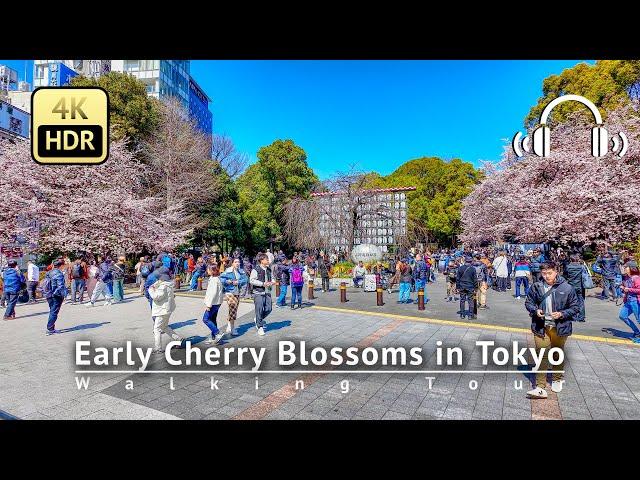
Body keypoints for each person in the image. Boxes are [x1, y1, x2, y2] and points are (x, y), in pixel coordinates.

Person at [524, 261, 580, 399]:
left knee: (556, 353)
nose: (547, 276)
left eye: (549, 273)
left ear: (556, 272)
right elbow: (529, 302)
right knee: (541, 354)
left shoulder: (567, 288)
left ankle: (557, 378)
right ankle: (540, 386)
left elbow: (576, 307)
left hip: (559, 327)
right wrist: (535, 310)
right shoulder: (536, 286)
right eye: (544, 273)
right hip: (540, 326)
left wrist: (562, 314)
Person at [148, 272, 184, 353]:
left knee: (157, 329)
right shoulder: (168, 285)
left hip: (162, 310)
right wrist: (155, 285)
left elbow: (156, 297)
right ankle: (179, 339)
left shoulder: (163, 287)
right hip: (167, 309)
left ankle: (158, 348)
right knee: (164, 327)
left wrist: (151, 290)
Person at [220, 258, 247, 336]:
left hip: (237, 292)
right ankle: (232, 328)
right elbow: (221, 279)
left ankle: (229, 325)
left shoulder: (241, 271)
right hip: (230, 292)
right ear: (232, 263)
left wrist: (238, 282)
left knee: (233, 310)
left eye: (238, 262)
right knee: (233, 309)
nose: (237, 263)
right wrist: (227, 281)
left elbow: (245, 279)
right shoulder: (228, 271)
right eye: (235, 262)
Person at [250, 253, 275, 336]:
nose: (268, 260)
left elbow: (273, 278)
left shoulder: (269, 269)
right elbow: (252, 280)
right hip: (258, 292)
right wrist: (262, 283)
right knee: (259, 309)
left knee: (269, 308)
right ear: (261, 260)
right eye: (266, 259)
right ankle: (260, 326)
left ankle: (258, 319)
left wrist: (272, 282)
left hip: (267, 292)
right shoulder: (256, 269)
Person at [202, 264, 226, 345]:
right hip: (216, 302)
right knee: (212, 319)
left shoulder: (214, 280)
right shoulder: (214, 278)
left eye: (208, 269)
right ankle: (214, 337)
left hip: (213, 303)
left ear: (212, 271)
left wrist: (209, 305)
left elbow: (213, 293)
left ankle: (217, 333)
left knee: (205, 319)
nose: (207, 271)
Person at [44, 258, 68, 335]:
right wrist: (62, 295)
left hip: (48, 294)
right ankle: (50, 329)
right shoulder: (59, 273)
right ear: (61, 265)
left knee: (52, 311)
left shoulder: (49, 272)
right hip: (56, 295)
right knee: (54, 312)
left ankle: (51, 328)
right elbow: (60, 286)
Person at [619, 261, 640, 342]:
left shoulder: (636, 278)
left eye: (626, 267)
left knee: (639, 319)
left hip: (636, 301)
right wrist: (623, 289)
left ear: (631, 268)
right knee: (622, 316)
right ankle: (637, 332)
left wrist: (629, 289)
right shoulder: (627, 278)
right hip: (629, 301)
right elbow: (626, 288)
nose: (624, 268)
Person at [563, 253, 587, 322]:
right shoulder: (581, 266)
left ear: (571, 259)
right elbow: (585, 275)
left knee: (571, 302)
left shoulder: (568, 267)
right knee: (581, 301)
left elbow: (565, 276)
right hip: (580, 286)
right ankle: (581, 317)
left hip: (571, 286)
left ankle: (573, 316)